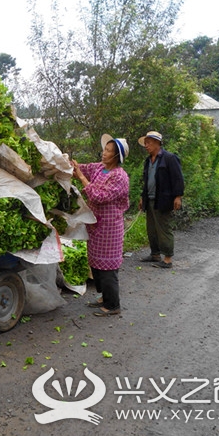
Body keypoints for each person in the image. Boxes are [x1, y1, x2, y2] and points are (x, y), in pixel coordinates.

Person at [72, 134, 130, 317]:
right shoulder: (100, 168)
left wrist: (81, 178)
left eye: (108, 151)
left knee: (108, 267)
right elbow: (84, 168)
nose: (104, 153)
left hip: (109, 227)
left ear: (116, 157)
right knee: (96, 264)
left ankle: (113, 305)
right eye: (105, 149)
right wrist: (71, 165)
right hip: (96, 225)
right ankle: (104, 297)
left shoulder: (119, 177)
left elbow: (98, 196)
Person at [137, 131, 184, 269]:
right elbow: (146, 181)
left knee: (163, 228)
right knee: (151, 229)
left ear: (157, 143)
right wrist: (142, 197)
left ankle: (168, 258)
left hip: (163, 199)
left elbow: (178, 178)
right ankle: (155, 254)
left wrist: (178, 196)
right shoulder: (148, 161)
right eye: (145, 143)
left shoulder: (169, 158)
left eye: (149, 142)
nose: (146, 146)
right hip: (150, 199)